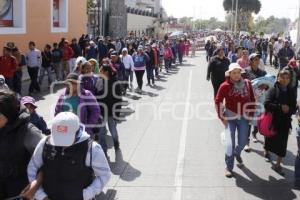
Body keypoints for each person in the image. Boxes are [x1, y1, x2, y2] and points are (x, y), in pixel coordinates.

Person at [27, 112, 111, 200]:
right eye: (58, 138)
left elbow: (104, 175)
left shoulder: (92, 148)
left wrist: (85, 194)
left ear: (77, 132)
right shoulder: (45, 143)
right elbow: (32, 168)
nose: (61, 144)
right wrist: (41, 196)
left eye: (65, 140)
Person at [0, 89, 43, 199]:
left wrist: (36, 184)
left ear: (9, 114)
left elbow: (46, 163)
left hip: (19, 193)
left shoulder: (29, 132)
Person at [215, 63, 256, 178]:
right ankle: (229, 167)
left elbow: (252, 99)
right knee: (230, 144)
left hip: (244, 117)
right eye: (234, 73)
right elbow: (218, 100)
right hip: (230, 118)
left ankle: (237, 153)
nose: (237, 75)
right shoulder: (225, 86)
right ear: (230, 74)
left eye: (238, 72)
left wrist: (251, 114)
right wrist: (221, 117)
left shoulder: (247, 83)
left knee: (243, 141)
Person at [264, 70, 296, 175]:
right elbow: (267, 104)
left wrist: (289, 109)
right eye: (283, 77)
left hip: (285, 121)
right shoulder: (273, 89)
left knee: (283, 143)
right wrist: (280, 107)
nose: (285, 80)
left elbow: (294, 108)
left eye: (287, 78)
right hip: (273, 120)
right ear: (278, 78)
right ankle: (267, 151)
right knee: (270, 139)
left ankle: (278, 164)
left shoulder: (291, 91)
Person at [243, 53, 267, 151]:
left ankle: (254, 134)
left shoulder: (263, 72)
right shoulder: (246, 72)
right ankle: (247, 142)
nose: (257, 61)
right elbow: (242, 84)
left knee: (258, 120)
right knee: (248, 122)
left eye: (258, 59)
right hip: (249, 100)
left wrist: (265, 86)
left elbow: (268, 84)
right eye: (255, 59)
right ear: (251, 61)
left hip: (260, 100)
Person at [97, 64, 123, 155]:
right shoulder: (99, 81)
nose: (99, 72)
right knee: (101, 133)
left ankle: (116, 143)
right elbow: (96, 96)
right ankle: (103, 150)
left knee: (113, 131)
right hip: (101, 112)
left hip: (112, 112)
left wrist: (117, 113)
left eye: (101, 71)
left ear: (106, 72)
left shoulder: (115, 82)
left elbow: (119, 99)